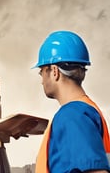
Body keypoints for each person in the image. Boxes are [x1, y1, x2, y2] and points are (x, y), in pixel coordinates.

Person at [34, 31, 110, 173]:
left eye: (42, 72)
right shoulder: (86, 110)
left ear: (55, 71)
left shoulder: (72, 116)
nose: (41, 80)